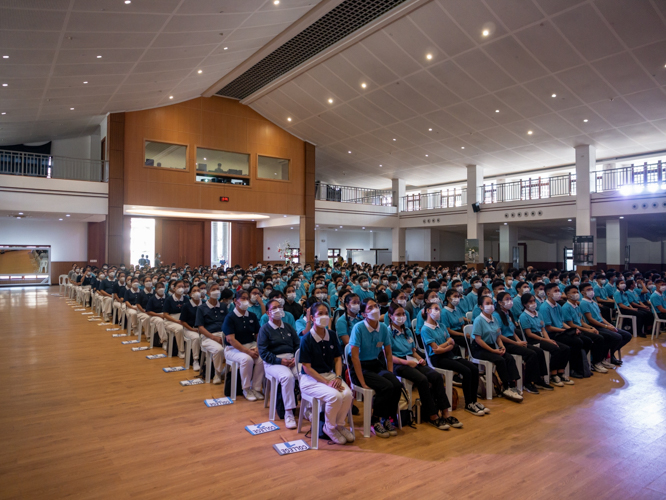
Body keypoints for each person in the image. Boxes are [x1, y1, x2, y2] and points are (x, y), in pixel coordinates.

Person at [388, 303, 461, 430]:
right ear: (390, 316)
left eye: (403, 314)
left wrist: (419, 359)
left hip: (412, 360)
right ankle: (432, 415)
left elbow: (413, 351)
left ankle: (445, 413)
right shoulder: (387, 332)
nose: (401, 317)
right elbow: (388, 356)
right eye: (398, 314)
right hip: (398, 363)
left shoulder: (407, 331)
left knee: (436, 376)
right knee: (422, 379)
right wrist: (406, 362)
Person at [299, 302, 354, 445]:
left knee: (347, 394)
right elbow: (307, 368)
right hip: (309, 378)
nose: (324, 316)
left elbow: (337, 358)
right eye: (320, 314)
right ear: (312, 318)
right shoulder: (307, 339)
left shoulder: (331, 334)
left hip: (329, 375)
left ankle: (339, 425)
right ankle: (329, 427)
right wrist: (327, 382)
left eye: (326, 314)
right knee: (334, 396)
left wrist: (337, 377)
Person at [420, 301, 486, 417]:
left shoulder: (442, 326)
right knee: (466, 371)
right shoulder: (425, 329)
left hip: (450, 355)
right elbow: (436, 350)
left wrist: (445, 346)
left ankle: (474, 401)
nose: (438, 311)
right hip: (437, 359)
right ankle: (468, 403)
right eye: (435, 308)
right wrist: (447, 345)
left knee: (473, 369)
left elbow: (452, 343)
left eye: (439, 309)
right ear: (428, 311)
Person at [349, 298, 403, 438]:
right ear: (364, 314)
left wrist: (390, 372)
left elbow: (388, 353)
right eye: (370, 308)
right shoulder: (359, 328)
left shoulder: (383, 327)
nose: (375, 309)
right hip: (361, 368)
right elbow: (354, 357)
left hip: (376, 365)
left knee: (396, 384)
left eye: (376, 306)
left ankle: (387, 418)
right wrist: (361, 382)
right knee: (386, 386)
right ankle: (375, 420)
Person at [495, 291, 552, 393]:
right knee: (531, 354)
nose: (510, 301)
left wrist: (520, 341)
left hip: (513, 340)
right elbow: (499, 336)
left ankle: (539, 379)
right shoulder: (496, 315)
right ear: (500, 302)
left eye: (510, 299)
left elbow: (512, 331)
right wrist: (516, 344)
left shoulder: (508, 313)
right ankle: (528, 382)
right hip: (505, 343)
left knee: (539, 351)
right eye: (506, 299)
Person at [470, 295, 523, 402]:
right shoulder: (478, 320)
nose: (490, 306)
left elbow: (498, 336)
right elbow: (478, 340)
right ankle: (506, 386)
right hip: (479, 349)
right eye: (487, 304)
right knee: (500, 360)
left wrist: (502, 346)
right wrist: (493, 351)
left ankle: (512, 385)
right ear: (481, 306)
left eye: (491, 303)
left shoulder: (494, 318)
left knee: (509, 357)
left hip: (492, 346)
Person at [257, 299, 301, 429]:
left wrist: (295, 358)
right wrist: (280, 361)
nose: (278, 310)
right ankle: (288, 412)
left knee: (305, 372)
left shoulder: (288, 327)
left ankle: (308, 408)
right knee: (287, 377)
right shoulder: (265, 330)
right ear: (268, 313)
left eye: (280, 307)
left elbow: (298, 344)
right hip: (273, 363)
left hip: (291, 360)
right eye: (274, 308)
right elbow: (264, 353)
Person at [519, 293, 572, 387]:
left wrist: (548, 339)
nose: (533, 303)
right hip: (533, 339)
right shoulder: (524, 316)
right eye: (530, 301)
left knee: (566, 348)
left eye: (533, 301)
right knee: (555, 349)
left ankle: (561, 372)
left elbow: (543, 329)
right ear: (524, 304)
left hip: (542, 337)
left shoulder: (538, 313)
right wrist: (545, 340)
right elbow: (529, 334)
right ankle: (554, 374)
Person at [539, 283, 590, 379]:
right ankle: (570, 368)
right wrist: (566, 331)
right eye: (555, 291)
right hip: (552, 334)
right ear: (548, 293)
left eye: (559, 291)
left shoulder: (558, 306)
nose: (558, 293)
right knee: (576, 342)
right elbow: (549, 328)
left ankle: (580, 367)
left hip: (560, 331)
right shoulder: (544, 307)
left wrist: (571, 330)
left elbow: (562, 323)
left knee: (586, 340)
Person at [223, 290, 264, 401]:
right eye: (243, 298)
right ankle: (246, 389)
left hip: (251, 345)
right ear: (236, 301)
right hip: (233, 349)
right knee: (247, 359)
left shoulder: (252, 316)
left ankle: (256, 388)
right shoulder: (230, 317)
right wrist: (248, 351)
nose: (246, 301)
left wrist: (257, 348)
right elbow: (231, 340)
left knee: (261, 359)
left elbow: (258, 335)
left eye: (247, 298)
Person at [579, 283, 630, 366]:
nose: (591, 291)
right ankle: (606, 357)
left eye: (591, 289)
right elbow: (591, 319)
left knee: (627, 335)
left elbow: (601, 317)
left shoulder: (594, 302)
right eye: (588, 290)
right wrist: (606, 327)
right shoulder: (583, 303)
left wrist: (610, 325)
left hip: (602, 324)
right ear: (582, 292)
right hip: (595, 326)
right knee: (617, 337)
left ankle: (611, 353)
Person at [562, 285, 609, 374]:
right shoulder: (566, 307)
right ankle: (594, 363)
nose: (576, 294)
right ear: (568, 295)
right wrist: (587, 330)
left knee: (599, 336)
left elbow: (581, 321)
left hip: (580, 328)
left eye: (577, 292)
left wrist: (591, 328)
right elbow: (571, 325)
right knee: (598, 338)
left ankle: (594, 361)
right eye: (573, 292)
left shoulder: (576, 305)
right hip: (573, 330)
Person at [196, 283, 228, 383]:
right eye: (214, 289)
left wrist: (226, 336)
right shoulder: (202, 308)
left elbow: (228, 323)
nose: (216, 291)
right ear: (209, 292)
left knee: (235, 349)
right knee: (219, 350)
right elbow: (200, 328)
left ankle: (227, 371)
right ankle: (217, 374)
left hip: (223, 335)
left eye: (218, 289)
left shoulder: (223, 306)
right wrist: (214, 338)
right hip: (208, 336)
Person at [179, 285, 202, 371]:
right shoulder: (186, 306)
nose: (197, 292)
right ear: (190, 294)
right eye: (194, 291)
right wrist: (192, 329)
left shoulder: (204, 303)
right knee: (196, 338)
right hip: (190, 329)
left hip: (202, 328)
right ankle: (195, 360)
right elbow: (182, 321)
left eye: (198, 290)